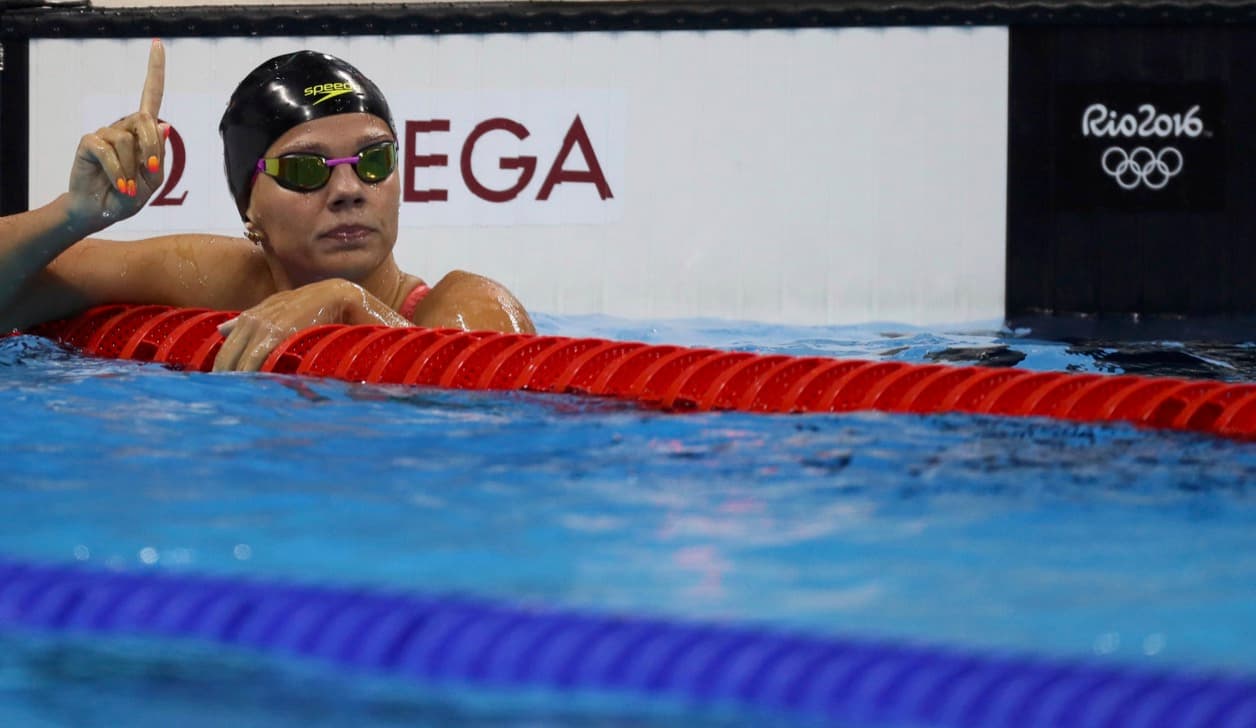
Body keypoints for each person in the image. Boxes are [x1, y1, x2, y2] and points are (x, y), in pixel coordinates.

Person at [0, 40, 534, 371]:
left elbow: (489, 426)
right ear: (248, 210)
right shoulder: (221, 280)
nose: (349, 188)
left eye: (373, 161)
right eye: (306, 169)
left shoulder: (467, 305)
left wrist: (351, 306)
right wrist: (72, 215)